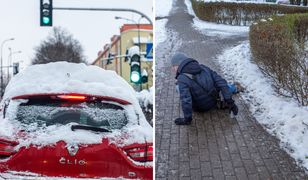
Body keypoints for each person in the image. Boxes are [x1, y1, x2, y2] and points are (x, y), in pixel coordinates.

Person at [171, 52, 239, 125]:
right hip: (214, 100)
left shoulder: (182, 78)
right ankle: (234, 88)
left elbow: (186, 100)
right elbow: (221, 83)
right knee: (221, 83)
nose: (172, 69)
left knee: (178, 86)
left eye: (173, 66)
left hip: (200, 108)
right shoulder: (203, 67)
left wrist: (187, 119)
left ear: (178, 65)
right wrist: (230, 102)